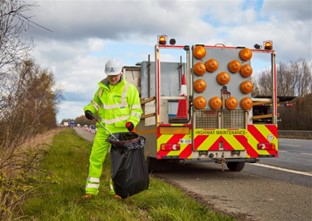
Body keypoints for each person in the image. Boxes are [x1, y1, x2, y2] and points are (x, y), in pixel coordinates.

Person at [83, 59, 142, 198]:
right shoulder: (101, 90)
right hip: (103, 129)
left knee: (118, 162)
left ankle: (116, 191)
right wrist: (88, 110)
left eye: (115, 75)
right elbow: (94, 105)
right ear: (106, 75)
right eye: (111, 76)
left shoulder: (129, 89)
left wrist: (132, 122)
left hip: (121, 131)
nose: (113, 78)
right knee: (95, 158)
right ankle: (91, 191)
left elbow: (136, 110)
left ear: (120, 72)